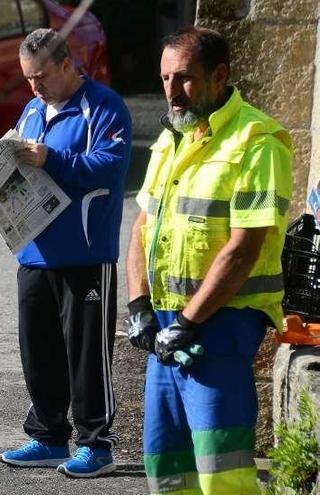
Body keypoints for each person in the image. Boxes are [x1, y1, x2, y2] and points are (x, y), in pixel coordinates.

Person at [126, 26, 292, 495]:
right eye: (164, 79)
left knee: (223, 472)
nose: (172, 92)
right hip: (167, 321)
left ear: (220, 77)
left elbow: (244, 248)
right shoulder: (173, 136)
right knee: (166, 464)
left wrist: (189, 319)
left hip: (221, 323)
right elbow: (142, 226)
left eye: (184, 78)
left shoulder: (257, 141)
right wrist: (138, 302)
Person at [0, 28, 132, 478]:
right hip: (34, 253)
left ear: (66, 64)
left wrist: (51, 158)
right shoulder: (32, 110)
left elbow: (110, 168)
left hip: (85, 253)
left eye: (39, 77)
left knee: (86, 355)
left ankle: (97, 444)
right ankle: (49, 435)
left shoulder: (105, 106)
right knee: (38, 351)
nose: (33, 88)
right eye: (27, 79)